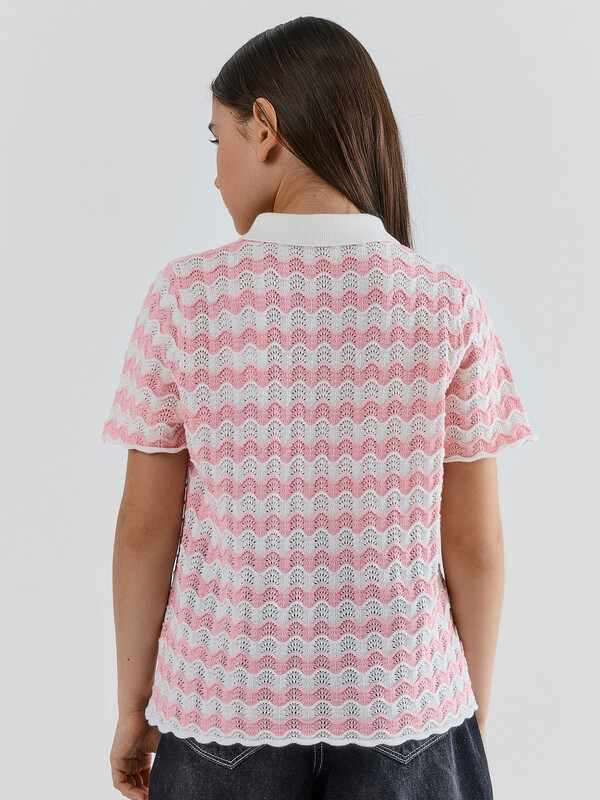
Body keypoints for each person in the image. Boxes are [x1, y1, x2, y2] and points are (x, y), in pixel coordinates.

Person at [101, 16, 537, 800]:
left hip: (221, 707)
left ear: (265, 128)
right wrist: (463, 708)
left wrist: (135, 707)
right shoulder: (447, 307)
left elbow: (143, 530)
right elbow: (475, 545)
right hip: (407, 708)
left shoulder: (187, 300)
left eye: (218, 140)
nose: (215, 174)